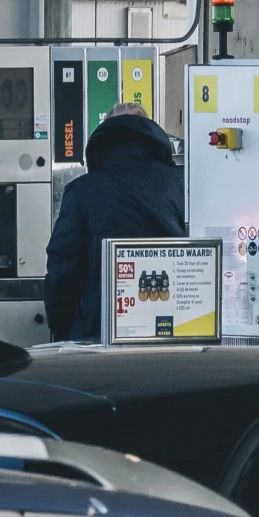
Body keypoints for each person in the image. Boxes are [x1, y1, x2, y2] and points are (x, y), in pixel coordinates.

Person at [45, 101, 184, 343]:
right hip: (172, 325)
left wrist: (62, 330)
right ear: (150, 132)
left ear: (104, 137)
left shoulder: (81, 192)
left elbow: (61, 269)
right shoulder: (181, 185)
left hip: (98, 333)